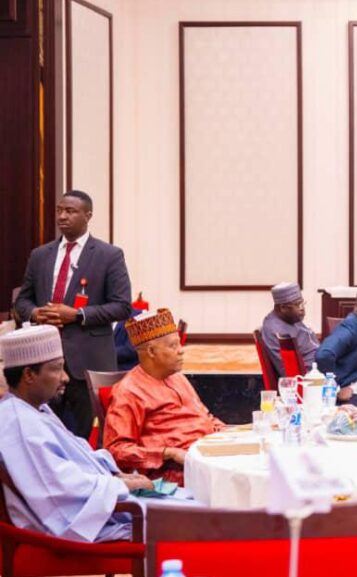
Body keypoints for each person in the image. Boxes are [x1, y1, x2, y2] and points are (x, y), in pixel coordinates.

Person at [0, 325, 153, 543]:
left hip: (103, 498)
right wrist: (123, 486)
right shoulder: (19, 424)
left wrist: (114, 475)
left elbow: (75, 455)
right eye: (57, 369)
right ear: (29, 375)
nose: (65, 378)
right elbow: (58, 490)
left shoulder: (34, 409)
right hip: (66, 538)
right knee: (176, 523)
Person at [14, 190, 133, 437]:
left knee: (86, 436)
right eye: (59, 210)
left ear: (88, 215)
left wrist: (78, 314)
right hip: (44, 360)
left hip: (87, 362)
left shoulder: (109, 255)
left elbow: (122, 306)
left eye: (70, 211)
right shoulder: (40, 255)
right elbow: (22, 300)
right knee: (44, 433)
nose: (62, 216)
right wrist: (35, 313)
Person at [104, 309, 226, 484]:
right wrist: (168, 453)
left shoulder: (178, 378)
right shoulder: (129, 392)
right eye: (173, 346)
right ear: (151, 351)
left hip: (209, 458)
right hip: (176, 475)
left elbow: (206, 418)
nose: (181, 351)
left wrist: (233, 434)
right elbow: (116, 450)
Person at [261, 282, 319, 377]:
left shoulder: (290, 318)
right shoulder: (276, 330)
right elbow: (290, 372)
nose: (302, 309)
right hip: (312, 376)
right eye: (298, 304)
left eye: (302, 303)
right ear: (283, 308)